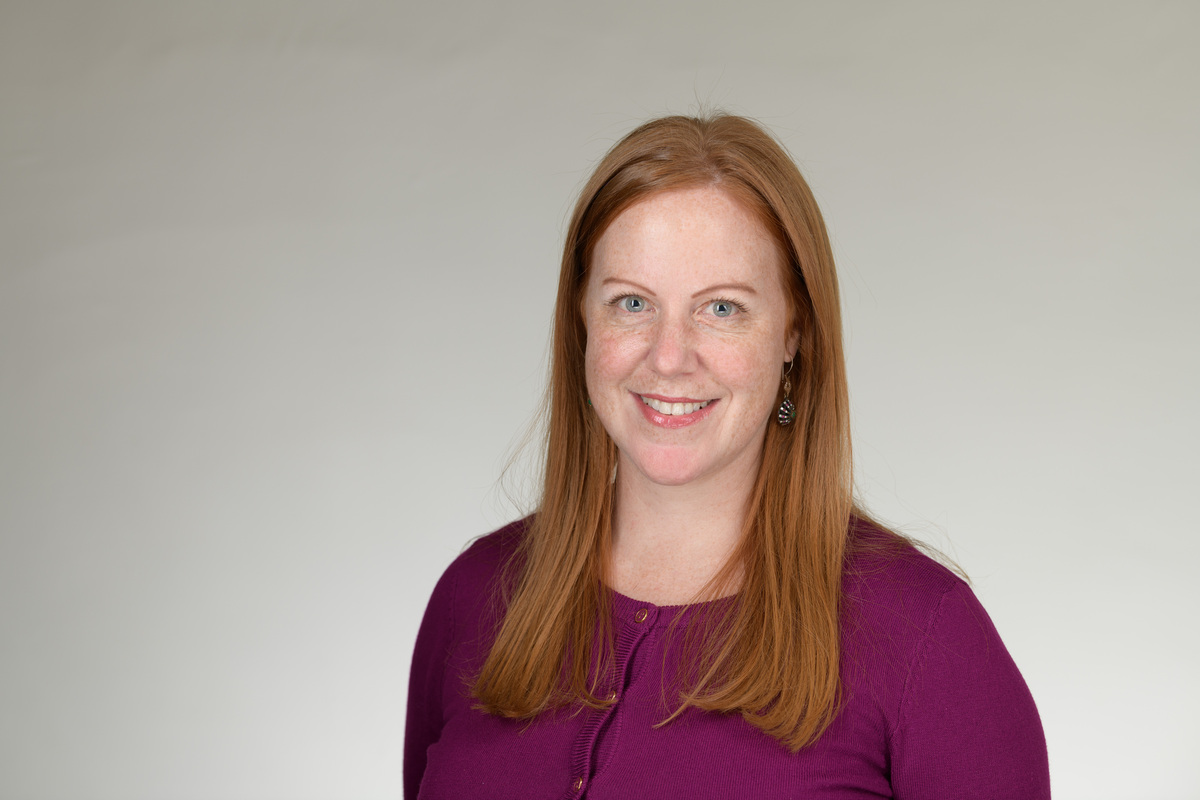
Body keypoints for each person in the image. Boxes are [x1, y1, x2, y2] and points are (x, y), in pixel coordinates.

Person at [404, 114, 1050, 799]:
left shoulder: (928, 638)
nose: (669, 357)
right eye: (631, 303)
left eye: (722, 310)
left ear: (794, 333)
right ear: (581, 320)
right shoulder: (475, 598)